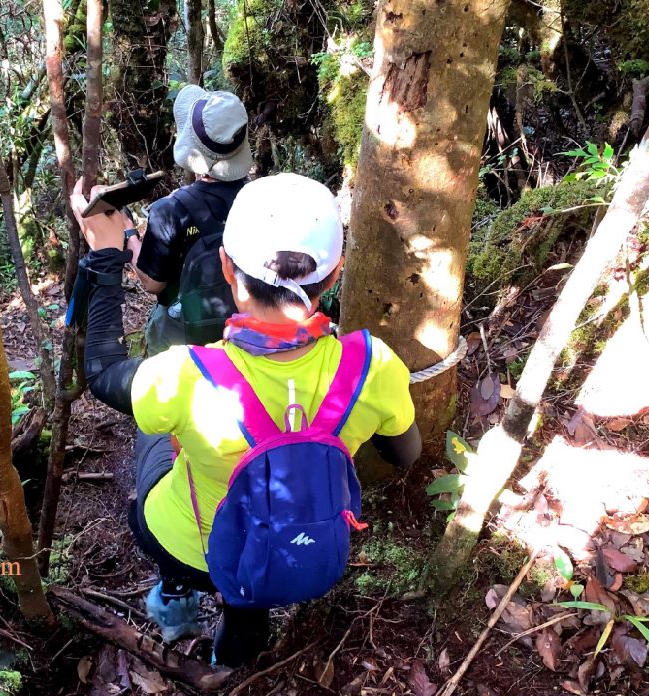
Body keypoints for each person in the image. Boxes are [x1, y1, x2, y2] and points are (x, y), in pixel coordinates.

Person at [72, 173, 423, 667]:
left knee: (151, 430)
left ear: (226, 268)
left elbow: (104, 371)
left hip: (187, 550)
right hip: (299, 552)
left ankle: (176, 598)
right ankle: (235, 648)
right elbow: (404, 453)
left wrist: (108, 254)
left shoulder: (184, 375)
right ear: (336, 272)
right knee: (246, 597)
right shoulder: (373, 366)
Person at [129, 85, 252, 354]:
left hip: (185, 339)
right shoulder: (257, 197)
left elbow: (152, 282)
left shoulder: (170, 210)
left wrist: (129, 237)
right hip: (246, 331)